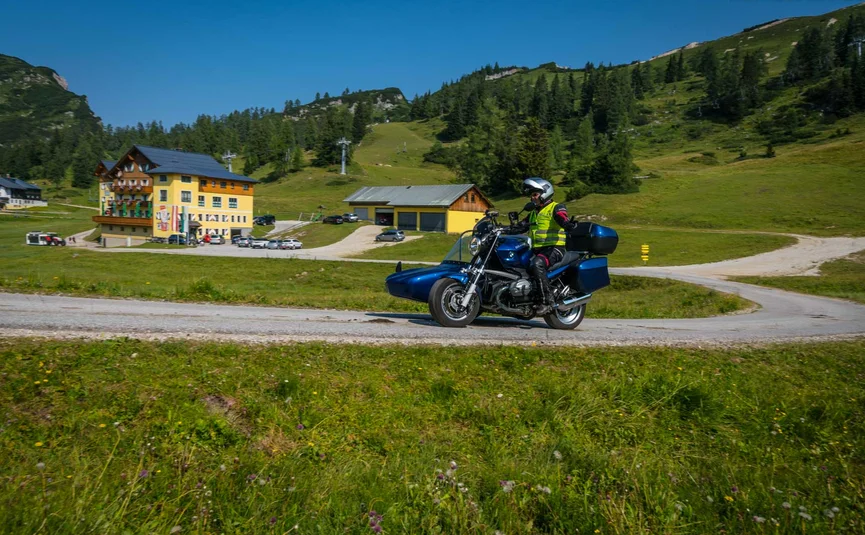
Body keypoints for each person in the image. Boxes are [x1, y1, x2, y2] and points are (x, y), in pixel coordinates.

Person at [508, 177, 576, 314]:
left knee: (536, 264)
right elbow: (521, 227)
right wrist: (500, 228)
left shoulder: (556, 207)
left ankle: (547, 300)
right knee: (517, 263)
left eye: (535, 194)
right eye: (531, 195)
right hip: (538, 250)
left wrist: (568, 224)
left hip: (555, 248)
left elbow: (562, 218)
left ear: (545, 192)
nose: (532, 198)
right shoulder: (533, 213)